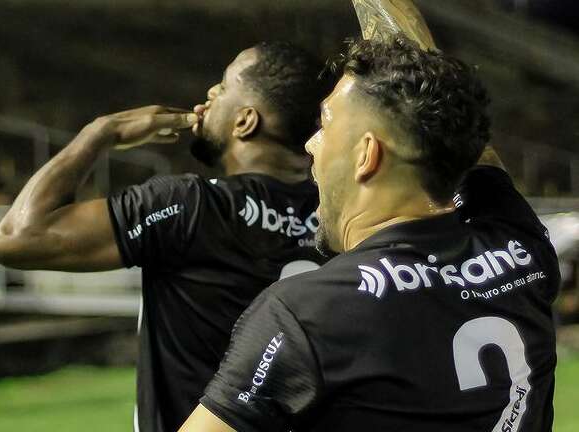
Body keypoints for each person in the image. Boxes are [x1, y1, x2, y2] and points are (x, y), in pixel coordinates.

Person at [177, 36, 560, 432]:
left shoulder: (305, 314)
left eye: (323, 125)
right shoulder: (521, 248)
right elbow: (469, 144)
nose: (310, 144)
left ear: (366, 155)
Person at [0, 41, 331, 432]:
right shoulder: (338, 220)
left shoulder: (191, 205)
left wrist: (102, 132)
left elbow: (16, 237)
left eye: (222, 87)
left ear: (245, 122)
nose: (209, 96)